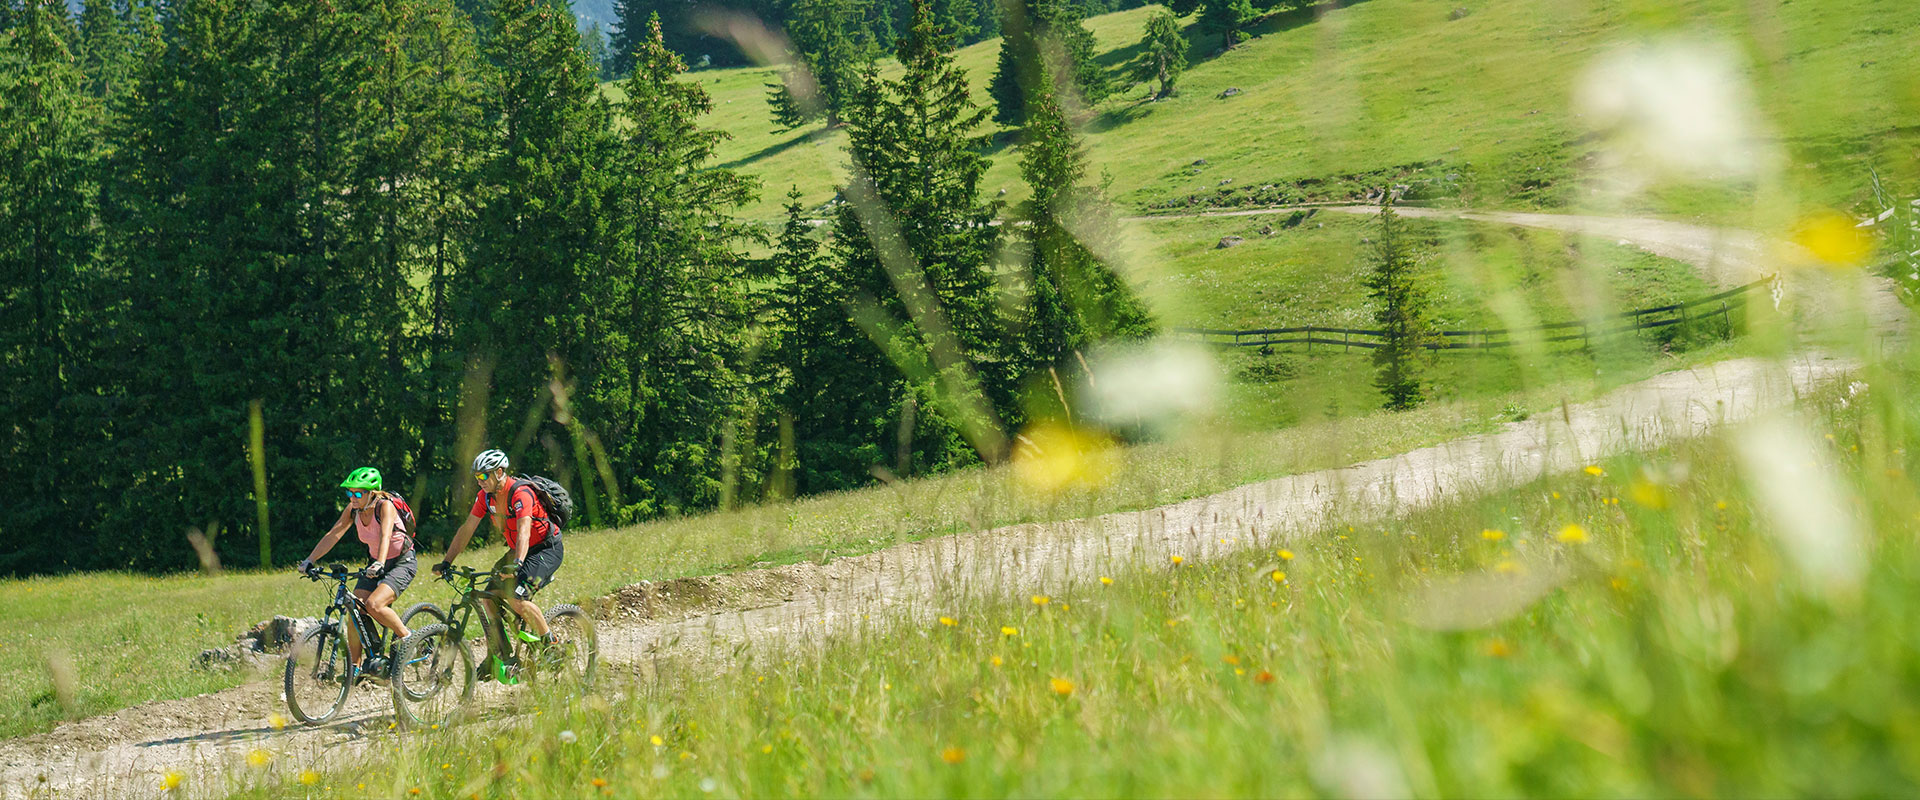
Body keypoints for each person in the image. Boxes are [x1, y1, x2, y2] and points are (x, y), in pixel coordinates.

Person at [435, 449, 564, 680]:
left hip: (546, 549)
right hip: (518, 552)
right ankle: (503, 656)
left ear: (500, 472)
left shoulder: (520, 494)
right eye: (477, 477)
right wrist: (447, 561)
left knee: (517, 598)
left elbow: (524, 530)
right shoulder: (485, 497)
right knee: (487, 595)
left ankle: (551, 646)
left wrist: (517, 564)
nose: (480, 481)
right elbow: (467, 529)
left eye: (484, 476)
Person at [298, 467, 415, 680]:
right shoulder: (354, 510)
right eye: (349, 493)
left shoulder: (385, 506)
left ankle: (408, 639)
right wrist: (310, 560)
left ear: (372, 492)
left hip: (401, 562)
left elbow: (385, 536)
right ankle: (356, 668)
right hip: (375, 564)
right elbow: (334, 534)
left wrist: (380, 562)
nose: (353, 497)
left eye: (358, 493)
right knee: (353, 608)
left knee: (374, 605)